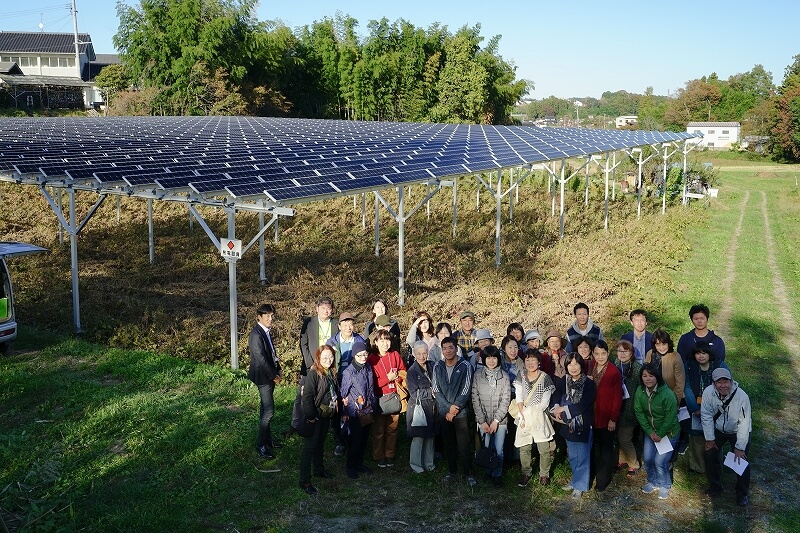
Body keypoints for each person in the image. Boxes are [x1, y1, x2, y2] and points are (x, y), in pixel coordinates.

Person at [701, 368, 751, 506]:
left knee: (741, 461)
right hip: (718, 429)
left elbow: (744, 423)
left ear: (732, 381)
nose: (723, 385)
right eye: (719, 382)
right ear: (713, 383)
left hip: (737, 430)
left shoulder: (742, 397)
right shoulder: (708, 393)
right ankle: (715, 487)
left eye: (726, 381)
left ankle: (742, 494)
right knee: (709, 454)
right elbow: (706, 416)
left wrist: (740, 447)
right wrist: (710, 439)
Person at [551, 353, 597, 499]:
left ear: (581, 366)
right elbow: (557, 394)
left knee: (582, 456)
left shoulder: (589, 384)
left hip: (583, 424)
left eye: (576, 364)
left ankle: (580, 485)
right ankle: (575, 480)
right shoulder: (564, 380)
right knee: (572, 455)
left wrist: (563, 409)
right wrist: (557, 406)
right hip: (568, 424)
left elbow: (583, 405)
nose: (573, 367)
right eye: (570, 364)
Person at [433, 336, 475, 486]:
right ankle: (452, 470)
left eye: (451, 347)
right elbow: (436, 390)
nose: (448, 351)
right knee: (449, 443)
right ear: (442, 350)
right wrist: (447, 409)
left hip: (460, 413)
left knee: (464, 444)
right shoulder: (438, 366)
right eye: (445, 348)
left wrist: (455, 408)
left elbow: (466, 390)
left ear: (456, 348)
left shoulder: (465, 366)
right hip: (445, 413)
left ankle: (468, 472)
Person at [634, 363, 680, 500]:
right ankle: (652, 481)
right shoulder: (640, 391)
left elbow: (671, 418)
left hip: (668, 432)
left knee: (660, 461)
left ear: (657, 377)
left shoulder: (667, 394)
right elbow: (639, 412)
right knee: (648, 459)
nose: (648, 379)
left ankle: (665, 484)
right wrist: (650, 432)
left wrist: (660, 434)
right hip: (651, 432)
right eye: (644, 376)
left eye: (651, 376)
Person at [298, 345, 340, 495]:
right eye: (325, 358)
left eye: (331, 357)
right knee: (309, 448)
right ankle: (305, 481)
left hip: (325, 415)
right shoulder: (314, 374)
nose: (328, 360)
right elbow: (307, 397)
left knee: (320, 443)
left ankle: (319, 469)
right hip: (315, 416)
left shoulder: (331, 372)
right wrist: (311, 416)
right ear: (318, 359)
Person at [294, 296, 339, 431]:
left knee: (328, 393)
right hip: (311, 365)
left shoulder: (336, 323)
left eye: (329, 308)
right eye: (323, 308)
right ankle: (296, 423)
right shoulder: (309, 322)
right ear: (317, 309)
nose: (326, 311)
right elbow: (303, 343)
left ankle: (328, 421)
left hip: (329, 364)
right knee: (302, 394)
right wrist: (310, 363)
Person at [684, 342, 730, 474]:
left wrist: (716, 409)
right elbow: (686, 387)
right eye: (698, 353)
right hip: (696, 407)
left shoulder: (719, 365)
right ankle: (698, 467)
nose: (701, 356)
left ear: (709, 354)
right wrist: (695, 408)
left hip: (716, 408)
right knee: (696, 438)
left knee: (714, 438)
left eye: (704, 353)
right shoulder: (689, 366)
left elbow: (726, 385)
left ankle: (715, 467)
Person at [513, 349, 556, 487]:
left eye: (533, 360)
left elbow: (545, 402)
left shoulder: (545, 378)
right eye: (527, 360)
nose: (530, 363)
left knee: (543, 448)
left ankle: (544, 474)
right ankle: (526, 472)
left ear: (539, 362)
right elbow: (518, 396)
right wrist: (522, 412)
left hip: (539, 417)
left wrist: (530, 412)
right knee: (524, 447)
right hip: (524, 415)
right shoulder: (521, 375)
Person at [326, 311, 366, 456]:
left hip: (354, 382)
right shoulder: (332, 342)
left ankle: (353, 441)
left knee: (353, 410)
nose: (349, 327)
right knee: (338, 411)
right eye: (345, 324)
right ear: (339, 326)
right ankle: (339, 442)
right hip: (337, 381)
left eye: (351, 324)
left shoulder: (359, 341)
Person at [471, 345, 511, 486]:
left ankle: (497, 474)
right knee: (487, 448)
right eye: (488, 357)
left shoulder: (504, 376)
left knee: (499, 450)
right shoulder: (477, 375)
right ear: (484, 359)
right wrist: (482, 421)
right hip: (483, 420)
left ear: (498, 359)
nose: (491, 361)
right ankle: (488, 471)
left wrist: (496, 421)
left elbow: (506, 400)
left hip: (500, 421)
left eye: (494, 357)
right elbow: (475, 398)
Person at [367, 329, 406, 468]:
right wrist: (387, 379)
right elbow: (370, 382)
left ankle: (390, 454)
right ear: (376, 342)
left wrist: (398, 378)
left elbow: (403, 371)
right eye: (381, 340)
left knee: (392, 428)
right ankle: (378, 456)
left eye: (387, 340)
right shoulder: (371, 359)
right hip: (379, 397)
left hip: (394, 397)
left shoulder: (395, 355)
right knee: (379, 430)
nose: (385, 343)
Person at [248, 303, 281, 460]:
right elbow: (260, 359)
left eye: (271, 315)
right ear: (259, 317)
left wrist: (278, 368)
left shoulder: (265, 331)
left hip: (268, 375)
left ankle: (267, 440)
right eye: (266, 315)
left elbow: (272, 353)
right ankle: (261, 444)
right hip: (263, 377)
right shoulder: (256, 335)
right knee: (269, 411)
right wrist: (273, 375)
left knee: (264, 409)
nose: (270, 318)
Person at [339, 341, 376, 479]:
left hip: (367, 409)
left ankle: (359, 464)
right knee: (355, 440)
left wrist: (372, 404)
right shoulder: (349, 372)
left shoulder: (368, 367)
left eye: (365, 354)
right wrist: (346, 410)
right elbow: (343, 392)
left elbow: (371, 388)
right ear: (354, 356)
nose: (363, 357)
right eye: (360, 355)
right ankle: (350, 466)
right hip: (354, 411)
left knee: (364, 439)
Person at [590, 339, 622, 492]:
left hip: (606, 417)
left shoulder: (613, 371)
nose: (600, 357)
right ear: (593, 354)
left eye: (603, 353)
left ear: (608, 353)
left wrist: (613, 419)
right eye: (597, 353)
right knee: (593, 448)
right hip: (592, 416)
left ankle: (603, 480)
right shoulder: (591, 367)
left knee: (606, 449)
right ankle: (593, 474)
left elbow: (617, 398)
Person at [407, 341, 437, 474]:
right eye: (418, 354)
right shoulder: (412, 371)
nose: (422, 356)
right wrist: (430, 392)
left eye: (424, 353)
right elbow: (413, 393)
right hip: (418, 408)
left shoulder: (433, 366)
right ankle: (416, 465)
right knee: (418, 437)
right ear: (414, 355)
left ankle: (429, 464)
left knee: (430, 436)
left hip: (432, 407)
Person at [614, 339, 643, 477]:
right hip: (616, 406)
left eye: (626, 351)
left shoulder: (637, 368)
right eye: (620, 351)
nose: (622, 354)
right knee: (619, 435)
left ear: (631, 353)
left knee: (625, 438)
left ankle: (634, 463)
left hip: (630, 407)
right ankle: (622, 459)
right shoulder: (615, 364)